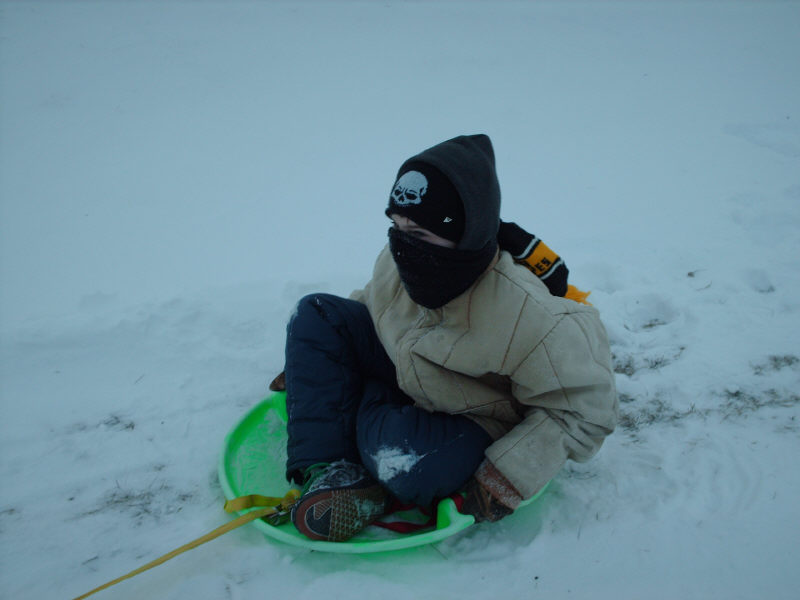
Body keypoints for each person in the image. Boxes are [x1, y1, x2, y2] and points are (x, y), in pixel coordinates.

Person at [276, 134, 618, 542]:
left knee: (407, 466)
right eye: (396, 226)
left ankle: (357, 427)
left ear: (465, 233)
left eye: (419, 234)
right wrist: (322, 356)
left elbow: (585, 410)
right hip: (402, 362)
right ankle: (330, 471)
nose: (402, 243)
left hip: (467, 411)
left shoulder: (529, 315)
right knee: (316, 313)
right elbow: (375, 302)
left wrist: (511, 472)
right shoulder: (400, 257)